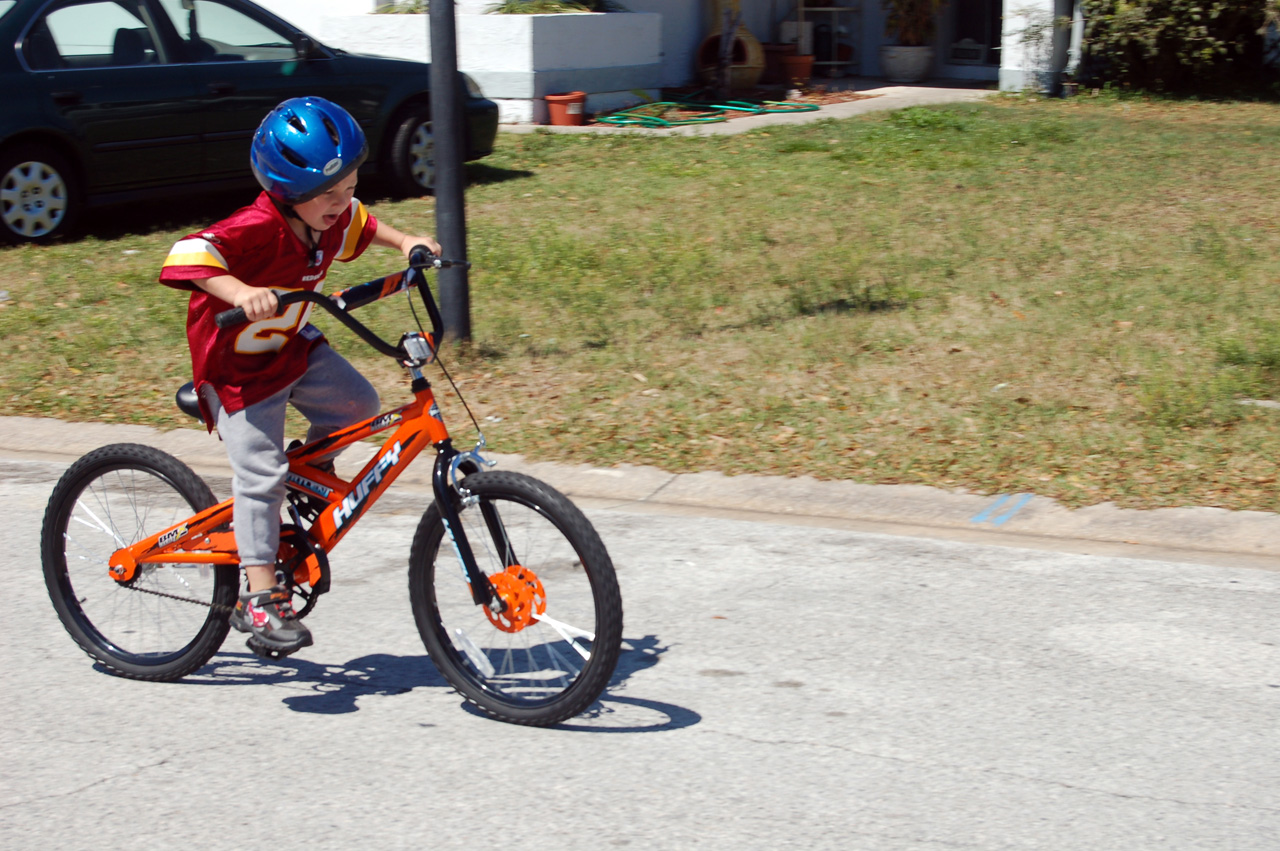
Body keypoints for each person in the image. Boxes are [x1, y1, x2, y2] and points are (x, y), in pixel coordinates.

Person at [160, 96, 440, 656]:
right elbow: (184, 253)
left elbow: (365, 222)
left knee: (358, 405)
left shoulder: (331, 217)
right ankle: (260, 597)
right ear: (288, 197)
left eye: (350, 186)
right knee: (261, 474)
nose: (343, 203)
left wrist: (406, 241)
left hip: (291, 344)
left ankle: (308, 476)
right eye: (329, 196)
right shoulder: (258, 225)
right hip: (238, 369)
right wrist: (239, 292)